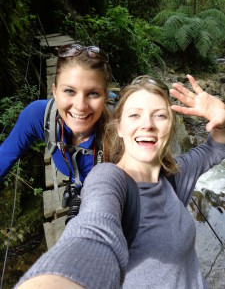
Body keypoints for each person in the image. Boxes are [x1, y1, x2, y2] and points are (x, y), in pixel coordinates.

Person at [15, 75, 225, 288]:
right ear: (119, 128)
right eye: (135, 115)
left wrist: (222, 118)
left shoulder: (174, 176)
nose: (148, 125)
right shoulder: (108, 179)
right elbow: (92, 234)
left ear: (170, 126)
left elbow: (213, 149)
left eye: (160, 116)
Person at [0, 43, 112, 218]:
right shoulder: (39, 116)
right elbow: (4, 157)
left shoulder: (120, 131)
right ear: (55, 92)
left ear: (105, 96)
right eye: (69, 91)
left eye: (93, 93)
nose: (80, 106)